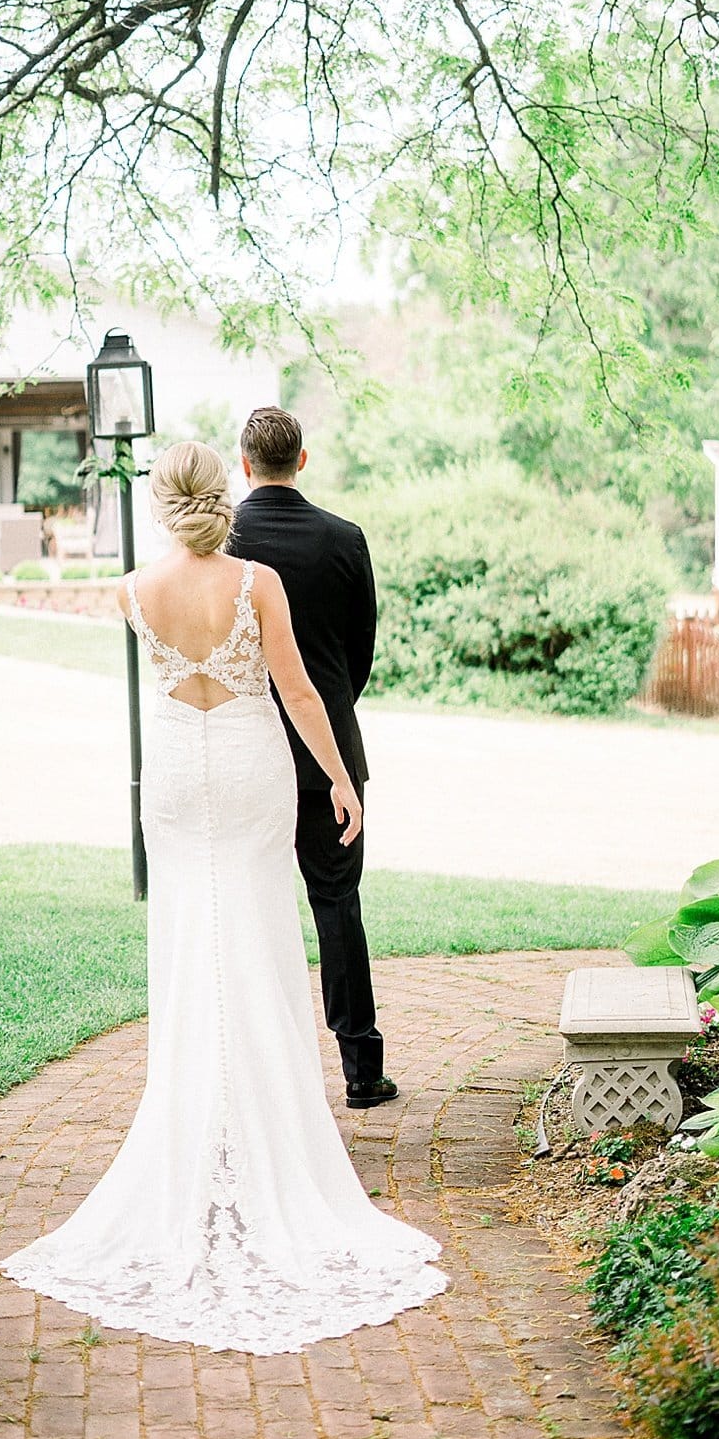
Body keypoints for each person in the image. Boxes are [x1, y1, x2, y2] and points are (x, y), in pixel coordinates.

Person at [0, 441, 446, 1354]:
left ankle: (194, 1123)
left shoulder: (130, 591)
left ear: (164, 503)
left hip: (172, 770)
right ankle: (267, 1130)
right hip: (249, 763)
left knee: (187, 941)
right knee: (257, 937)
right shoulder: (254, 585)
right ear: (224, 496)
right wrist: (339, 779)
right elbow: (301, 690)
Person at [228, 405, 394, 1107]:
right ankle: (362, 1072)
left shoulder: (221, 542)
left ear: (243, 465)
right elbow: (361, 651)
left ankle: (259, 1078)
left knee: (248, 910)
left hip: (245, 753)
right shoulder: (344, 539)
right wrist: (328, 723)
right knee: (337, 907)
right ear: (302, 459)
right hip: (331, 759)